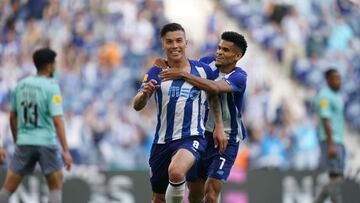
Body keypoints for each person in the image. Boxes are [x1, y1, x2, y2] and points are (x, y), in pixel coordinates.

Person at [133, 23, 226, 203]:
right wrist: (145, 94)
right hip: (162, 142)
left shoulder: (202, 71)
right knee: (159, 198)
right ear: (163, 45)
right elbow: (137, 105)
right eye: (169, 42)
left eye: (178, 41)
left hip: (192, 137)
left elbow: (214, 96)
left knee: (176, 172)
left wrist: (219, 126)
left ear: (186, 43)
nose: (174, 45)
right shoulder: (156, 71)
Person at [157, 31, 248, 203]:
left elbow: (214, 87)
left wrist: (184, 74)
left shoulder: (239, 77)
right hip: (199, 135)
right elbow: (186, 69)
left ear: (238, 55)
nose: (219, 52)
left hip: (226, 139)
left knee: (211, 194)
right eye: (219, 47)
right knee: (195, 195)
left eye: (226, 50)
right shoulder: (206, 63)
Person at [0, 48, 73, 203]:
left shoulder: (20, 85)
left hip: (24, 141)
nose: (55, 67)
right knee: (55, 186)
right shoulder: (51, 86)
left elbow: (13, 117)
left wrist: (17, 139)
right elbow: (58, 120)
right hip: (46, 141)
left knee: (7, 188)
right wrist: (66, 151)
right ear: (48, 66)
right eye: (54, 64)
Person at [314, 68, 345, 203]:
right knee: (335, 176)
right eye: (335, 79)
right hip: (330, 140)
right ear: (328, 80)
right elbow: (325, 119)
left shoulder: (337, 95)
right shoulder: (324, 96)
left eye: (339, 78)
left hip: (338, 140)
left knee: (338, 177)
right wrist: (331, 143)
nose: (339, 81)